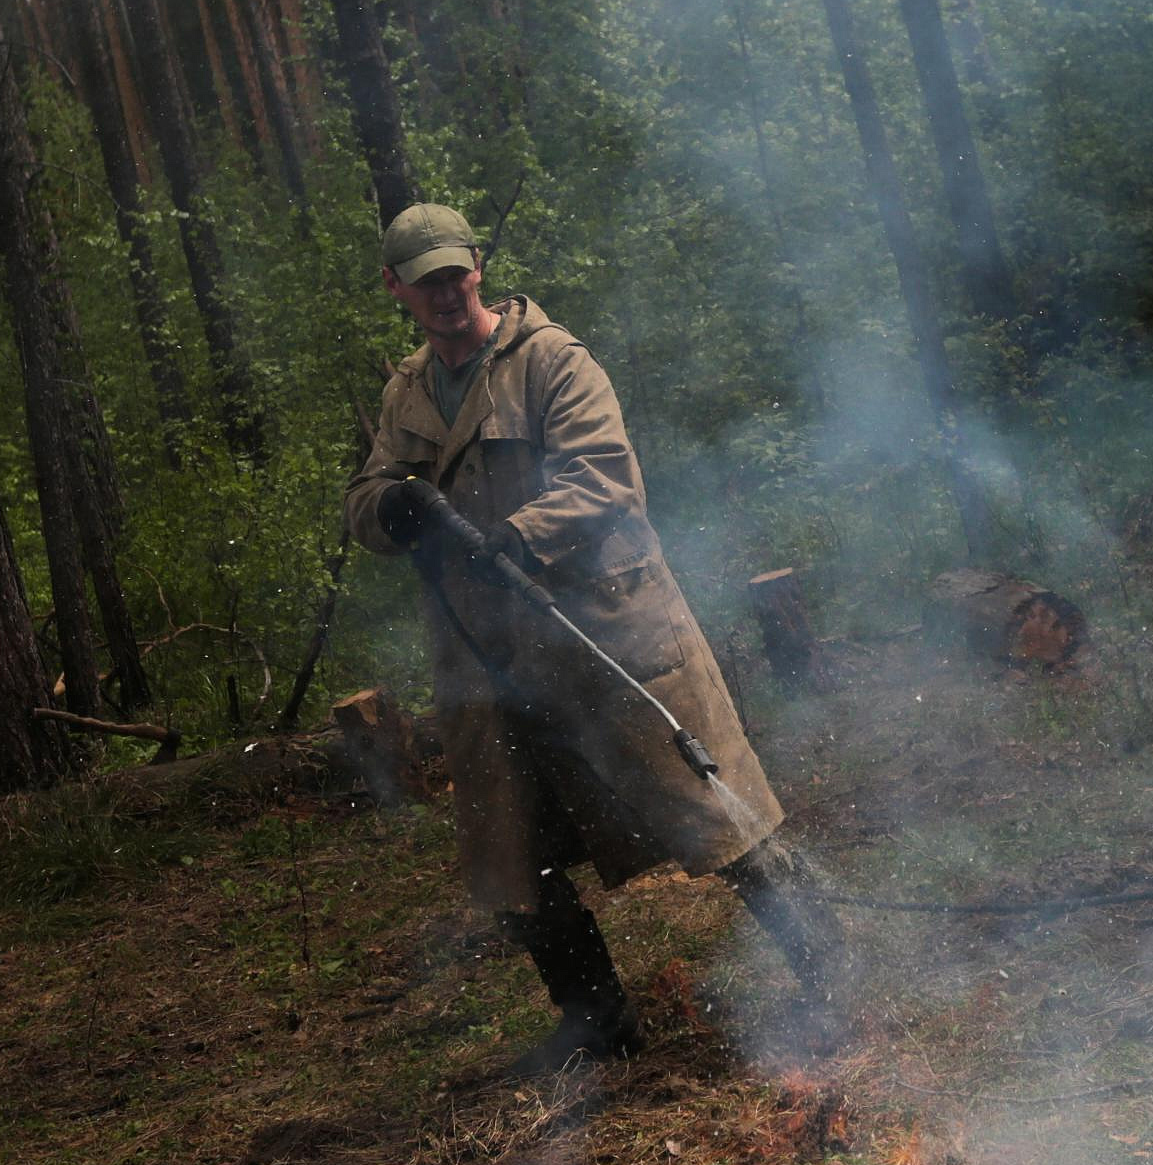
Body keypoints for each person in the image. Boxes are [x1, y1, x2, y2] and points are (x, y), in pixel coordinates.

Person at [346, 202, 849, 1070]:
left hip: (605, 632)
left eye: (454, 273)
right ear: (395, 287)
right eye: (422, 281)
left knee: (721, 817)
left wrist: (514, 535)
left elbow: (604, 477)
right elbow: (367, 499)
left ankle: (834, 978)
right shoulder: (407, 394)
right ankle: (595, 1022)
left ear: (477, 266)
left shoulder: (548, 362)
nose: (443, 293)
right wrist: (389, 507)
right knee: (513, 855)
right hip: (485, 658)